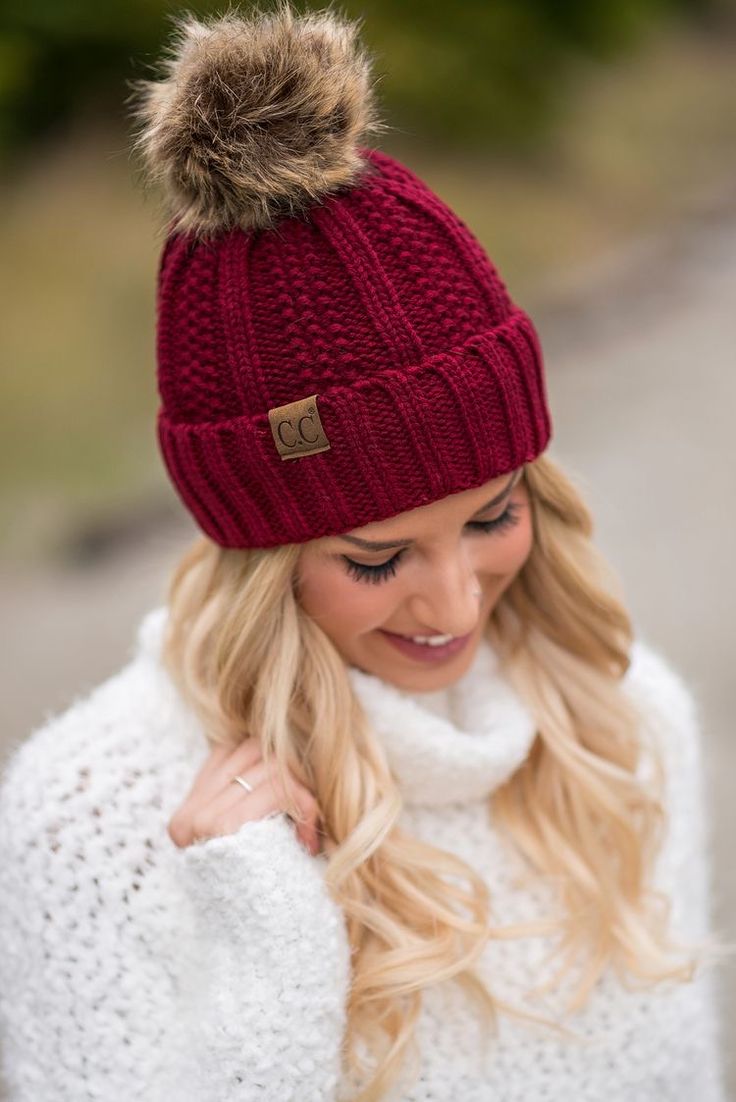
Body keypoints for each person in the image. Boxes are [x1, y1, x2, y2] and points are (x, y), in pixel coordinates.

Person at [0, 4, 728, 1100]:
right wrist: (264, 939)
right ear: (261, 557)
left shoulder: (622, 726)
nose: (454, 601)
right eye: (377, 558)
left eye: (491, 518)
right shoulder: (89, 811)